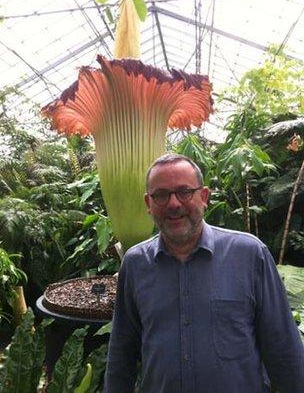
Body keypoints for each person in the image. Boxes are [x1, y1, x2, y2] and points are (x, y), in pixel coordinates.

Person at [104, 153, 304, 393]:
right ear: (149, 204)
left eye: (184, 191)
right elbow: (121, 354)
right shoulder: (136, 264)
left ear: (204, 196)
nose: (174, 203)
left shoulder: (249, 255)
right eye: (161, 195)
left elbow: (283, 349)